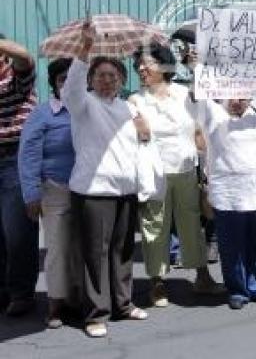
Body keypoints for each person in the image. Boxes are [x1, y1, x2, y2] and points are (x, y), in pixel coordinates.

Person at [63, 23, 150, 338]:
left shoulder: (128, 107)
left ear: (122, 81)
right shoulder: (83, 104)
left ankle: (123, 305)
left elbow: (140, 143)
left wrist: (144, 129)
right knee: (94, 254)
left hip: (125, 191)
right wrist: (85, 50)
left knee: (122, 251)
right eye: (100, 75)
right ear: (91, 80)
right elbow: (71, 87)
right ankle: (95, 314)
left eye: (113, 76)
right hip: (93, 191)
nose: (106, 80)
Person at [185, 51, 256, 310]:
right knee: (232, 244)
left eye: (244, 94)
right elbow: (199, 95)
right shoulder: (213, 113)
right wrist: (197, 67)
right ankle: (238, 290)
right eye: (234, 94)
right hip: (228, 191)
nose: (239, 99)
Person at [130, 43, 223, 308]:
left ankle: (202, 275)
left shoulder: (184, 94)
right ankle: (157, 282)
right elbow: (136, 136)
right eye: (138, 65)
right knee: (154, 227)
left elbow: (199, 131)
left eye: (147, 63)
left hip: (185, 169)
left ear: (165, 66)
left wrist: (207, 169)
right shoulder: (136, 100)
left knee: (191, 225)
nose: (141, 68)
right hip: (154, 174)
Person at [17, 58, 79, 328]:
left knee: (83, 248)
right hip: (55, 189)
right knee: (58, 248)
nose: (67, 84)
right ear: (54, 83)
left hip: (89, 189)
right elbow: (28, 156)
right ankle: (55, 302)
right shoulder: (42, 115)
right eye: (62, 79)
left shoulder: (87, 109)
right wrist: (31, 194)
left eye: (72, 79)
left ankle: (78, 298)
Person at [0, 34, 39, 318]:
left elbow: (25, 56)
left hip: (14, 158)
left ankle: (21, 293)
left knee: (18, 233)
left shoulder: (16, 77)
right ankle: (3, 291)